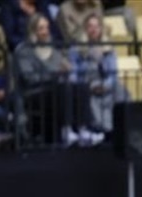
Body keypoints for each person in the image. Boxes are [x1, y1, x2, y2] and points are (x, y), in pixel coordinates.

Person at [15, 12, 90, 145]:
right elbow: (30, 78)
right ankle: (66, 130)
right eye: (41, 28)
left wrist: (66, 70)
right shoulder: (24, 51)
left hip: (55, 89)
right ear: (33, 31)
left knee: (81, 86)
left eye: (47, 27)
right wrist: (55, 74)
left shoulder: (53, 50)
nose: (45, 32)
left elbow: (61, 70)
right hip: (34, 92)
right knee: (64, 88)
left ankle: (82, 129)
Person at [70, 12, 123, 140]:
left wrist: (105, 84)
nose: (93, 29)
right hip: (86, 85)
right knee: (89, 99)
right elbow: (73, 74)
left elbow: (113, 73)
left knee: (120, 89)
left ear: (100, 28)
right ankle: (98, 128)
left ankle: (122, 126)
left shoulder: (109, 48)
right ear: (85, 29)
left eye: (96, 26)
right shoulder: (76, 49)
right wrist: (87, 85)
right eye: (90, 26)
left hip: (105, 84)